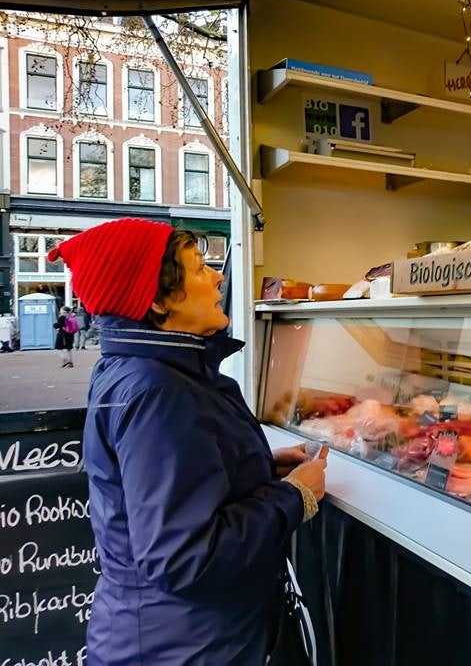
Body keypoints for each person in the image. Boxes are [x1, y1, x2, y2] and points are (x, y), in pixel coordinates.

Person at [46, 218, 328, 665]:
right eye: (199, 268)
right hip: (183, 648)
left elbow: (171, 481)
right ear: (157, 301)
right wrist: (294, 497)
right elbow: (185, 558)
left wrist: (255, 465)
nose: (218, 276)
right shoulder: (161, 391)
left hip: (174, 637)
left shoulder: (139, 371)